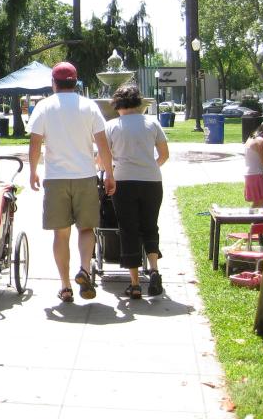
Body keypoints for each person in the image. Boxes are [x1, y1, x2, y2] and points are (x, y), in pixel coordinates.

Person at [28, 62, 115, 303]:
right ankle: (84, 269)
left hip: (55, 178)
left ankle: (65, 286)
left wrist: (33, 171)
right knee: (86, 228)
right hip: (85, 176)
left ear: (53, 83)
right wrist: (109, 173)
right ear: (76, 82)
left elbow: (35, 144)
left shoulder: (44, 106)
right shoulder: (89, 106)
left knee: (61, 234)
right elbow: (103, 145)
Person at [105, 84, 169, 299]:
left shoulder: (112, 126)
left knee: (128, 229)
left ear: (117, 104)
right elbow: (164, 154)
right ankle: (154, 270)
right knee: (150, 226)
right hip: (152, 181)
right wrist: (150, 167)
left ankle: (134, 284)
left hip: (123, 181)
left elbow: (103, 158)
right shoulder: (152, 123)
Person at [243, 122, 263, 209]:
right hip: (256, 174)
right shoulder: (261, 141)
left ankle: (251, 217)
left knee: (258, 201)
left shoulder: (251, 138)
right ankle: (259, 217)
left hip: (250, 174)